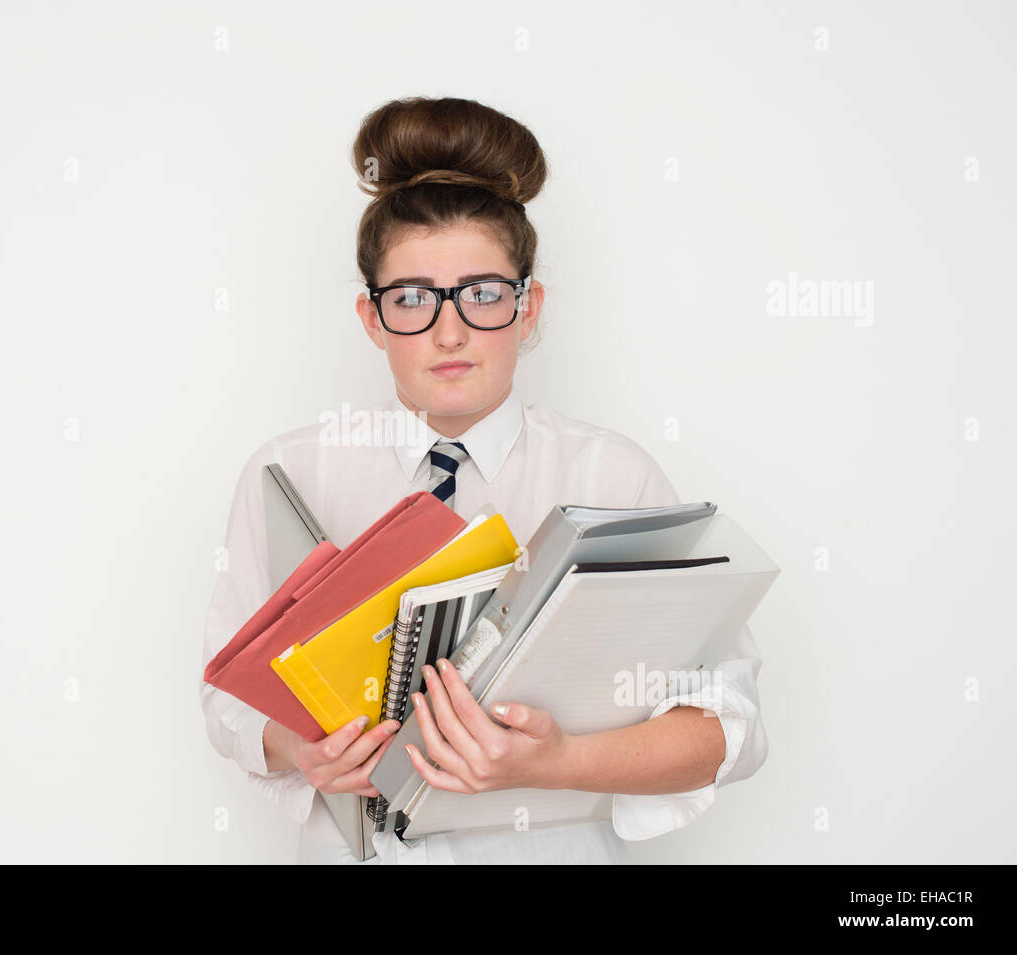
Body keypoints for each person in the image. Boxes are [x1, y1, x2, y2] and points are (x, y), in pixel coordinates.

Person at [200, 96, 768, 864]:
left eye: (483, 293)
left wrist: (558, 760)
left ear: (527, 307)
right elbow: (228, 700)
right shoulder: (291, 472)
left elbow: (730, 725)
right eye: (411, 298)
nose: (449, 330)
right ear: (372, 319)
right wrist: (298, 748)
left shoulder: (612, 474)